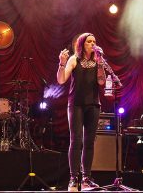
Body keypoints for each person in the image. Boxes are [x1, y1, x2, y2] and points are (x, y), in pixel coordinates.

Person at [57, 33, 106, 192]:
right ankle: (73, 178)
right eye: (89, 42)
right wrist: (62, 64)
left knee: (89, 142)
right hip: (76, 104)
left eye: (94, 41)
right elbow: (61, 80)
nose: (92, 44)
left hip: (93, 104)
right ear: (82, 44)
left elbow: (101, 81)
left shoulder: (98, 60)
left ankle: (86, 178)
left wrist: (100, 64)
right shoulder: (74, 59)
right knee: (76, 140)